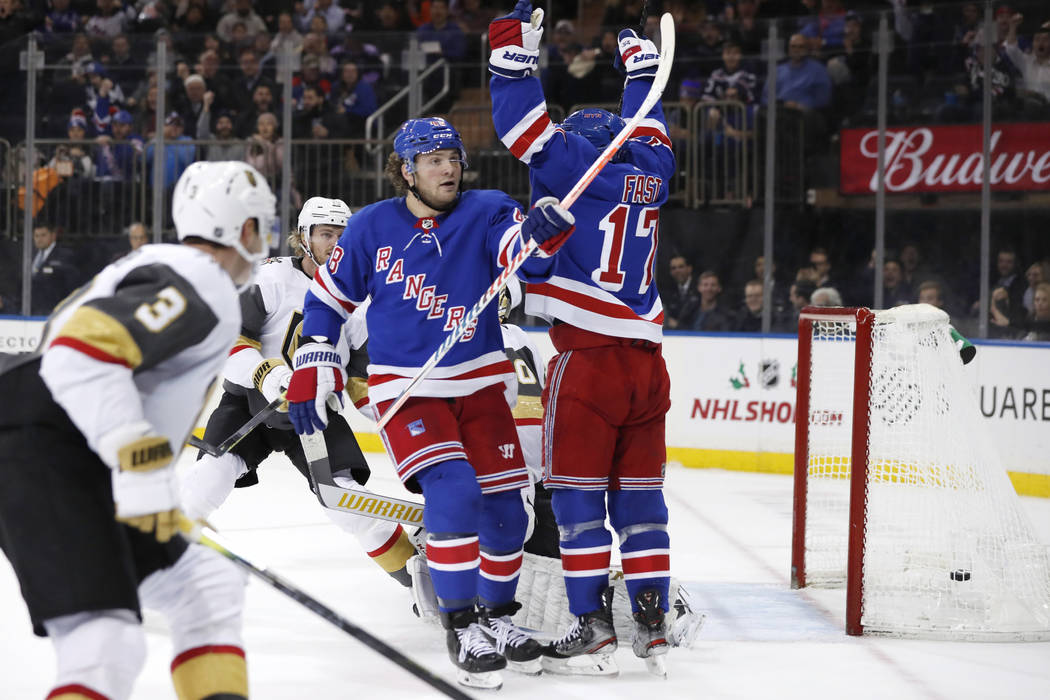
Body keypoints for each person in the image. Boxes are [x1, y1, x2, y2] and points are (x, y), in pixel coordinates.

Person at [285, 116, 575, 690]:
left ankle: (497, 615)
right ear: (406, 169)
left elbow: (523, 256)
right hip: (408, 388)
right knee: (456, 491)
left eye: (453, 158)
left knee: (508, 514)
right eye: (433, 159)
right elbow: (327, 299)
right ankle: (461, 622)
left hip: (481, 383)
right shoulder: (370, 227)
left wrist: (541, 234)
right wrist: (315, 360)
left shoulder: (487, 208)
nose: (447, 168)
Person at [0, 160, 275, 700]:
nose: (262, 240)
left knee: (207, 587)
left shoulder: (167, 265)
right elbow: (81, 353)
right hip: (46, 449)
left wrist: (148, 484)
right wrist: (144, 478)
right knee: (104, 641)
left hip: (63, 448)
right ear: (242, 230)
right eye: (260, 226)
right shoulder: (203, 279)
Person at [489, 2, 676, 676]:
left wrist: (511, 52)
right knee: (642, 501)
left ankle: (592, 624)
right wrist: (641, 67)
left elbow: (521, 128)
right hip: (650, 367)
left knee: (575, 497)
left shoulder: (574, 162)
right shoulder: (653, 166)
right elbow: (649, 115)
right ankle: (652, 625)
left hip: (590, 361)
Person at [179, 196, 422, 589]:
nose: (335, 243)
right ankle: (151, 568)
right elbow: (232, 338)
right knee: (206, 481)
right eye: (326, 234)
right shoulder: (270, 279)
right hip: (250, 406)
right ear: (304, 238)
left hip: (314, 416)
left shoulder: (360, 303)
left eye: (343, 236)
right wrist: (268, 374)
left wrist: (393, 411)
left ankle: (423, 583)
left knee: (350, 505)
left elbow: (361, 379)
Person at [30, 223, 80, 316]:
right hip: (33, 310)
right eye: (36, 236)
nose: (39, 239)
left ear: (53, 236)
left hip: (55, 311)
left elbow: (71, 284)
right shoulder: (29, 254)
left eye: (43, 235)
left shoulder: (64, 255)